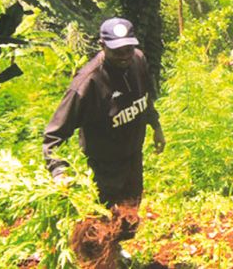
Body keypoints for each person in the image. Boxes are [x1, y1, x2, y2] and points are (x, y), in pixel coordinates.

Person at [43, 17, 165, 235]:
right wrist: (58, 170)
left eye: (128, 48)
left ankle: (118, 253)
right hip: (103, 168)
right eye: (117, 51)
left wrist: (156, 126)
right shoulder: (87, 84)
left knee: (129, 218)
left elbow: (145, 98)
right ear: (102, 46)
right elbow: (54, 135)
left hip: (132, 158)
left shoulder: (138, 60)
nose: (125, 56)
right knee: (103, 225)